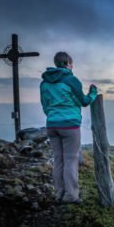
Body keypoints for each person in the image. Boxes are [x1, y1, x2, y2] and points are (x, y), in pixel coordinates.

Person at [40, 52, 98, 203]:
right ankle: (71, 196)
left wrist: (54, 116)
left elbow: (45, 106)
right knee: (71, 160)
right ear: (67, 63)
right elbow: (84, 101)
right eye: (72, 64)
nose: (72, 66)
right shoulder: (71, 80)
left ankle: (59, 194)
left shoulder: (44, 82)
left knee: (58, 160)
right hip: (70, 126)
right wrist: (93, 93)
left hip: (52, 124)